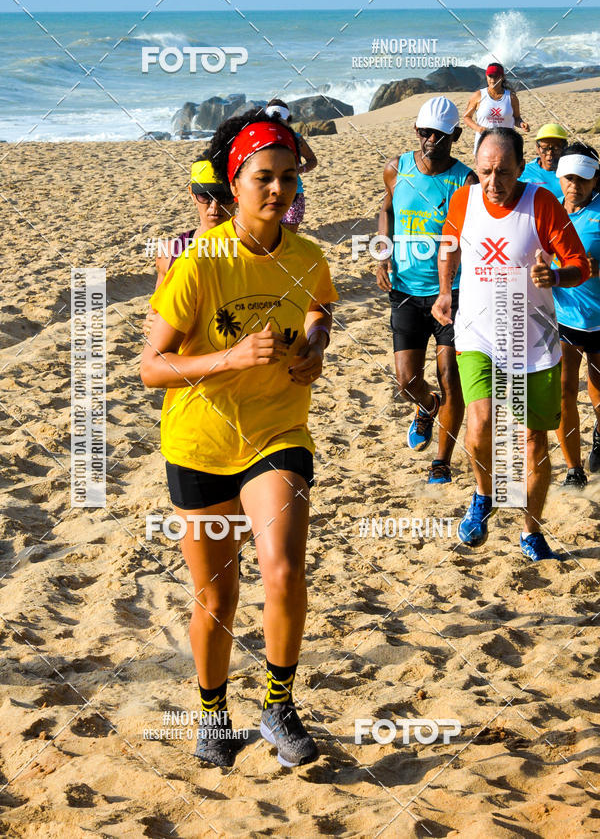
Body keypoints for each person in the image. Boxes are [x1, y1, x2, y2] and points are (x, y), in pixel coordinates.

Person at [141, 109, 337, 769]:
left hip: (277, 431)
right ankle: (212, 714)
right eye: (263, 177)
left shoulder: (306, 256)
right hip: (199, 443)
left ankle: (279, 706)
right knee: (217, 597)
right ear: (235, 184)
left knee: (283, 568)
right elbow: (151, 367)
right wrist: (229, 358)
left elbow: (319, 305)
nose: (278, 189)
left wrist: (315, 345)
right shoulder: (199, 262)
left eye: (288, 177)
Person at [432, 127, 589, 561]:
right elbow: (449, 247)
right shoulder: (463, 200)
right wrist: (444, 292)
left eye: (503, 172)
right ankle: (485, 494)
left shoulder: (542, 203)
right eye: (485, 171)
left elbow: (580, 264)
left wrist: (555, 275)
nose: (492, 182)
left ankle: (531, 532)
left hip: (534, 342)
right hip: (477, 334)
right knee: (480, 423)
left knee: (533, 441)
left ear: (522, 167)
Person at [376, 96, 476, 483]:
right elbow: (386, 210)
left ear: (456, 134)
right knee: (406, 382)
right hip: (404, 290)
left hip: (451, 294)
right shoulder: (396, 168)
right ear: (416, 130)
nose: (431, 139)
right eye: (425, 132)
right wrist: (382, 254)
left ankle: (441, 462)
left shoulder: (465, 181)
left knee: (450, 376)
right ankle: (427, 405)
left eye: (440, 134)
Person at [552, 142, 600, 486]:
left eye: (583, 178)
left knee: (597, 390)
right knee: (564, 391)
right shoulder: (549, 211)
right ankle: (573, 469)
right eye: (569, 178)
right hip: (561, 317)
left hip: (598, 319)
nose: (575, 185)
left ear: (596, 179)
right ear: (559, 177)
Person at [143, 159, 234, 337]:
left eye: (224, 196)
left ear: (237, 194)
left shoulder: (256, 248)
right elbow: (155, 314)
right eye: (205, 196)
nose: (215, 206)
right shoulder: (170, 253)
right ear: (192, 194)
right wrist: (151, 323)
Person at [265, 98, 317, 232]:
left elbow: (312, 160)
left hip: (293, 193)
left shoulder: (297, 138)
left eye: (280, 121)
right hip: (266, 193)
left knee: (289, 234)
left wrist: (299, 170)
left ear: (287, 121)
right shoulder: (260, 138)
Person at [464, 63, 529, 154]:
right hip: (484, 146)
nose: (493, 80)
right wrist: (479, 129)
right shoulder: (478, 95)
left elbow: (517, 118)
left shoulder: (511, 98)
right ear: (486, 76)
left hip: (506, 146)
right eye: (490, 76)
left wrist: (522, 124)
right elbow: (466, 117)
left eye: (496, 76)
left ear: (502, 77)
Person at [522, 123, 569, 197]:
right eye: (545, 148)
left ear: (565, 147)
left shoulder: (572, 171)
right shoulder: (524, 172)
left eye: (556, 148)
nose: (550, 153)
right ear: (537, 148)